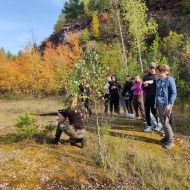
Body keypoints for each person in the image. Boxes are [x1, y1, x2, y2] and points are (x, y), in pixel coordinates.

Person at [155, 64, 177, 149]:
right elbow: (157, 93)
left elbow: (174, 93)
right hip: (159, 104)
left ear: (163, 72)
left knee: (166, 122)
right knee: (162, 122)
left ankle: (171, 142)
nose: (156, 73)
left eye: (157, 72)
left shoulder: (170, 80)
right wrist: (155, 103)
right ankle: (166, 138)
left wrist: (170, 104)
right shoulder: (158, 80)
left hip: (166, 105)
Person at [143, 62, 160, 132]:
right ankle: (149, 125)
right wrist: (144, 85)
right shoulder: (145, 77)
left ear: (155, 68)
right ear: (149, 68)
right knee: (147, 111)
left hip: (154, 97)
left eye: (153, 68)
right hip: (147, 96)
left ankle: (158, 124)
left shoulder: (157, 76)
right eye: (151, 68)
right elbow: (142, 87)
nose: (152, 69)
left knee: (154, 111)